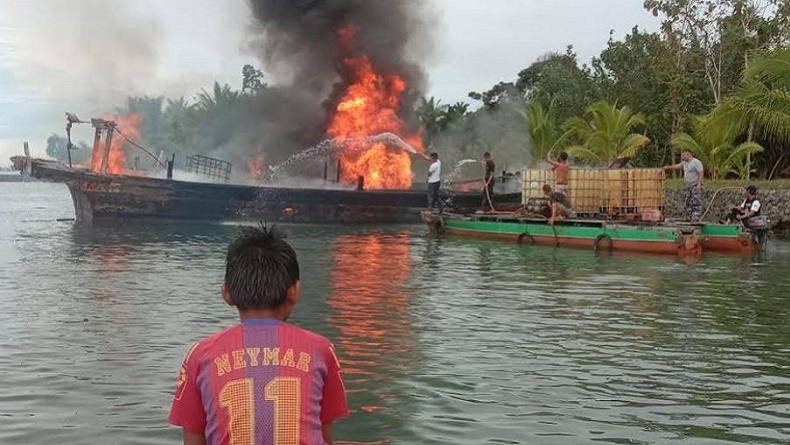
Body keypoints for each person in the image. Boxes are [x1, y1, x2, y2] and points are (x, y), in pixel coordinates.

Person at [168, 225, 350, 445]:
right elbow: (325, 436)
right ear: (294, 292)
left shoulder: (200, 355)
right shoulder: (321, 350)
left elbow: (194, 438)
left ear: (227, 293)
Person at [663, 149, 704, 222]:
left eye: (683, 155)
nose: (682, 157)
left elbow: (701, 172)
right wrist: (667, 167)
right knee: (688, 201)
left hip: (695, 185)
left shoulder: (696, 162)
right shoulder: (685, 163)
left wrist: (699, 184)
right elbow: (677, 166)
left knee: (696, 201)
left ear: (688, 154)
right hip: (688, 186)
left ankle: (695, 217)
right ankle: (690, 216)